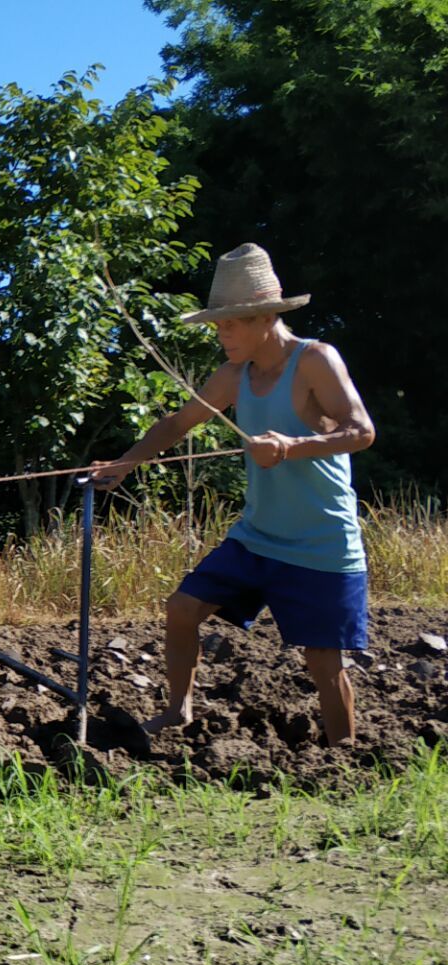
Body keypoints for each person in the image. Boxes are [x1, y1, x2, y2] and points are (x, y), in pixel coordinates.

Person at [91, 243, 376, 746]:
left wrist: (291, 446)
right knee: (181, 610)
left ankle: (343, 757)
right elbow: (179, 423)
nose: (222, 334)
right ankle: (179, 710)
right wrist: (125, 464)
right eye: (218, 325)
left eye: (232, 324)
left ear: (266, 316)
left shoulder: (314, 361)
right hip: (258, 539)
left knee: (323, 662)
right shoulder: (233, 377)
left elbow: (361, 432)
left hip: (322, 545)